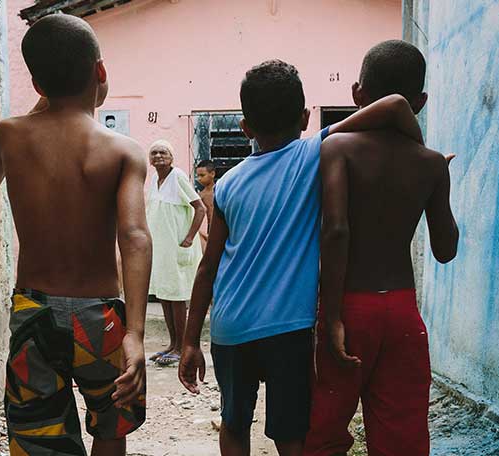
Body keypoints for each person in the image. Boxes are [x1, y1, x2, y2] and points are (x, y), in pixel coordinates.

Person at [178, 59, 424, 456]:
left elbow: (208, 267)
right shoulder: (313, 153)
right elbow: (396, 104)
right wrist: (421, 154)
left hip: (231, 327)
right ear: (306, 117)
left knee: (234, 424)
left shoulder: (226, 184)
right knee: (291, 434)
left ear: (244, 128)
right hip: (287, 329)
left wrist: (190, 343)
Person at [0, 14, 149, 456]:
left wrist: (40, 108)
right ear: (101, 71)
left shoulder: (9, 135)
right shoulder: (122, 150)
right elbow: (134, 237)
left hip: (34, 312)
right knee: (111, 426)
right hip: (100, 317)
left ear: (36, 84)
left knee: (39, 437)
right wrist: (136, 334)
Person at [305, 40, 459, 456]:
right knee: (402, 433)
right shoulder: (430, 163)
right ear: (421, 102)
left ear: (357, 94)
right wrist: (438, 181)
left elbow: (335, 230)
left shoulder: (337, 148)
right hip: (402, 312)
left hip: (349, 306)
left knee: (323, 429)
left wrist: (331, 316)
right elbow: (446, 249)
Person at [145, 139, 206, 366]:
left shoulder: (177, 176)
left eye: (163, 152)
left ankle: (181, 347)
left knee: (177, 296)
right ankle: (172, 344)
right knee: (164, 294)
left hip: (178, 246)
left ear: (171, 157)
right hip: (161, 248)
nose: (158, 156)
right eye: (154, 152)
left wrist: (189, 237)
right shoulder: (154, 179)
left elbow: (200, 208)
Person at [194, 159, 217, 246]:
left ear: (212, 174)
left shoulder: (220, 191)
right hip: (209, 232)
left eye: (202, 175)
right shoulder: (200, 196)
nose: (199, 179)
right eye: (198, 176)